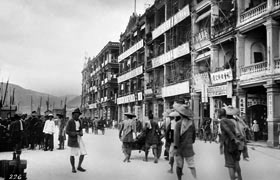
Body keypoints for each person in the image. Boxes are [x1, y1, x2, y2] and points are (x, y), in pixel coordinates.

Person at [173, 102, 197, 180]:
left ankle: (179, 179)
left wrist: (175, 148)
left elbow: (176, 138)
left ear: (180, 114)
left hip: (179, 148)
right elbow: (194, 137)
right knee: (192, 165)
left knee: (179, 165)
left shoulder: (178, 124)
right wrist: (190, 142)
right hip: (189, 147)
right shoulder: (192, 123)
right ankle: (195, 178)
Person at [219, 106, 243, 180]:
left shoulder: (223, 121)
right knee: (236, 162)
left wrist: (221, 145)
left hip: (229, 144)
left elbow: (227, 132)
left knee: (230, 165)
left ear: (220, 114)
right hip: (238, 144)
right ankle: (240, 177)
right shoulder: (235, 121)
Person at [66, 108, 87, 173]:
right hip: (73, 139)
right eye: (76, 115)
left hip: (79, 138)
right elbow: (67, 131)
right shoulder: (70, 121)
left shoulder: (80, 121)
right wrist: (75, 133)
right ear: (73, 115)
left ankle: (79, 166)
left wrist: (81, 132)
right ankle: (73, 167)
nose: (77, 116)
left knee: (83, 152)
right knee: (72, 154)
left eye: (78, 115)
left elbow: (80, 129)